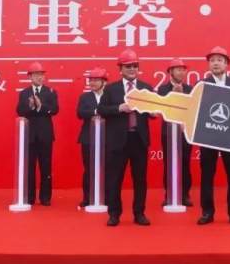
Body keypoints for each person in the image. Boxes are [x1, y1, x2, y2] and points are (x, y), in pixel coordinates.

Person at [98, 49, 154, 227]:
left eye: (135, 66)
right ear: (120, 69)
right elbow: (101, 110)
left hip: (139, 139)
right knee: (115, 179)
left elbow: (153, 111)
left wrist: (154, 111)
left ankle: (139, 213)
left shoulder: (146, 88)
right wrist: (119, 108)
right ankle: (114, 214)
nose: (132, 69)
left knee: (140, 179)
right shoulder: (110, 89)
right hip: (117, 141)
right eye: (128, 66)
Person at [197, 46, 230, 226]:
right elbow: (196, 111)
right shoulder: (202, 85)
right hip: (208, 136)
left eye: (219, 60)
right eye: (212, 60)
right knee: (207, 176)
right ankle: (207, 212)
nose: (215, 63)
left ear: (226, 64)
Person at [16, 61, 59, 206]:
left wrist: (41, 106)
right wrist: (29, 106)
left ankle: (45, 197)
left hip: (45, 134)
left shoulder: (50, 92)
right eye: (36, 74)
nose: (39, 77)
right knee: (29, 167)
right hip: (29, 135)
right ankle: (29, 197)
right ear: (30, 77)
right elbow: (19, 111)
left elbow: (55, 109)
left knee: (46, 166)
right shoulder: (24, 93)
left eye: (41, 74)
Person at [158, 58, 194, 207]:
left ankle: (185, 194)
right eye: (178, 69)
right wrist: (173, 95)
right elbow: (162, 109)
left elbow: (192, 109)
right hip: (169, 133)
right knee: (169, 163)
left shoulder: (190, 89)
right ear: (170, 72)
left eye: (183, 69)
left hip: (185, 132)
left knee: (185, 162)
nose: (181, 72)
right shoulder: (163, 89)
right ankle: (169, 194)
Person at [76, 67, 108, 208]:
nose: (92, 83)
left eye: (96, 80)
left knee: (108, 169)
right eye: (91, 80)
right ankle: (87, 198)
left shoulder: (110, 96)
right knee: (89, 169)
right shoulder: (85, 97)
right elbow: (80, 113)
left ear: (104, 82)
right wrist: (96, 111)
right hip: (88, 138)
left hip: (108, 138)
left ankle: (107, 197)